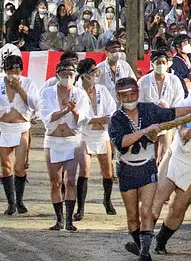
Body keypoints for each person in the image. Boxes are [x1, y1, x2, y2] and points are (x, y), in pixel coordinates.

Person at [109, 75, 191, 261]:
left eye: (132, 94)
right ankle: (140, 245)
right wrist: (145, 131)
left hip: (148, 167)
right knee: (133, 215)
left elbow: (175, 113)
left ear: (138, 93)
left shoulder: (148, 110)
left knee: (147, 210)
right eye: (124, 96)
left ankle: (144, 254)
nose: (129, 99)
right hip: (127, 168)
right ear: (118, 97)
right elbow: (121, 142)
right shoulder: (116, 119)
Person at [40, 58, 92, 231]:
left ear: (75, 75)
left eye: (70, 74)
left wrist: (74, 110)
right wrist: (64, 110)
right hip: (53, 139)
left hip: (72, 140)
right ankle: (59, 219)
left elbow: (83, 118)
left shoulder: (80, 94)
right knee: (55, 181)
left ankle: (69, 220)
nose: (67, 77)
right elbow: (46, 116)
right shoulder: (47, 92)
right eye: (63, 74)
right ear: (57, 75)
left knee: (70, 179)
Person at [75, 56, 118, 219]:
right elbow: (78, 115)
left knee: (107, 170)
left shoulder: (101, 89)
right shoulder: (77, 91)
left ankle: (107, 201)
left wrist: (103, 120)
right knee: (84, 169)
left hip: (102, 133)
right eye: (94, 71)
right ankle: (80, 208)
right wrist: (94, 120)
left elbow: (112, 109)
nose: (97, 73)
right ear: (85, 75)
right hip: (84, 134)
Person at [0, 52, 39, 215]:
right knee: (6, 166)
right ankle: (11, 202)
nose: (14, 74)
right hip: (3, 126)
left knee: (20, 167)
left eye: (17, 70)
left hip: (21, 126)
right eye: (10, 70)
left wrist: (19, 88)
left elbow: (34, 103)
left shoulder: (28, 83)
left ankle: (20, 200)